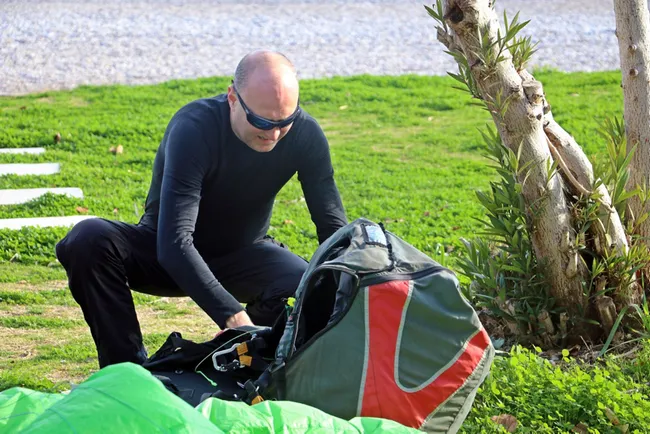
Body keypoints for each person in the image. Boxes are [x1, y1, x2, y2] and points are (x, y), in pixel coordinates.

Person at [55, 50, 348, 368]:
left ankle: (246, 362)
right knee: (87, 239)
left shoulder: (306, 134)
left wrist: (348, 288)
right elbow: (174, 242)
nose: (274, 133)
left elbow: (333, 229)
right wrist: (233, 316)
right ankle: (128, 370)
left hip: (243, 255)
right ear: (233, 98)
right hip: (165, 252)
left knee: (309, 289)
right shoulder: (194, 127)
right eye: (262, 121)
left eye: (285, 121)